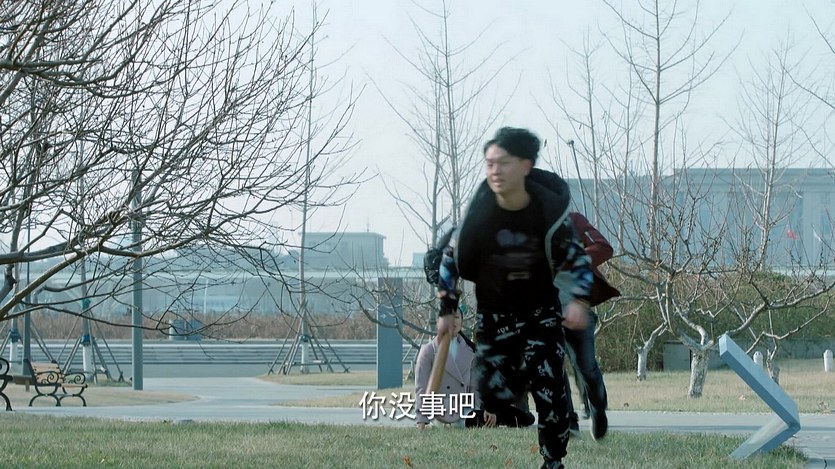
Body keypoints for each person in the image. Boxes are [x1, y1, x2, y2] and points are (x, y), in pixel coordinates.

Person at [435, 127, 594, 469]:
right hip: (495, 318)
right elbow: (450, 257)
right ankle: (526, 381)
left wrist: (578, 301)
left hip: (541, 315)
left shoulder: (549, 213)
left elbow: (578, 259)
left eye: (503, 163)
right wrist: (447, 307)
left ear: (525, 166)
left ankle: (553, 460)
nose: (494, 171)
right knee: (492, 395)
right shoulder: (479, 216)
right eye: (489, 163)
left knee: (550, 397)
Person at [557, 211, 621, 440]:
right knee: (552, 367)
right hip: (546, 311)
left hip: (578, 306)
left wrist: (573, 262)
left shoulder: (573, 221)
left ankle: (598, 409)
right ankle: (568, 421)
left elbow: (603, 247)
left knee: (586, 367)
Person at [414, 308, 535, 429]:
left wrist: (479, 410)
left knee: (504, 415)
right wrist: (421, 421)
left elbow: (474, 387)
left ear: (461, 322)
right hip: (441, 412)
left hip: (467, 410)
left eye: (456, 317)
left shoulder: (470, 352)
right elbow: (422, 388)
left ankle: (516, 417)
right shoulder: (428, 351)